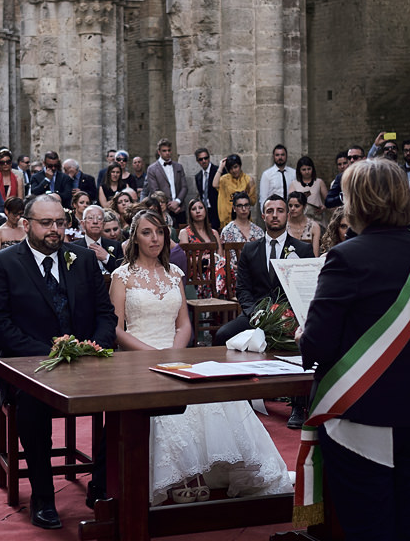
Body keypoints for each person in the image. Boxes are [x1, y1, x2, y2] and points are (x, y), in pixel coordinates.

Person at [296, 158, 410, 540]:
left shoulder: (345, 257)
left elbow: (317, 347)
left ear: (358, 202)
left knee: (369, 530)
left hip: (365, 415)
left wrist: (304, 336)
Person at [110, 209, 293, 504]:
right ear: (135, 237)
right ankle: (181, 473)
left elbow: (184, 323)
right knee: (163, 405)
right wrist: (151, 355)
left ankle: (211, 468)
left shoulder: (174, 274)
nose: (154, 238)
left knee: (214, 396)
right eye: (146, 232)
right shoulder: (122, 276)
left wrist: (174, 352)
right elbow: (116, 329)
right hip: (137, 358)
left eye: (159, 232)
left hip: (176, 353)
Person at [0, 194, 117, 529]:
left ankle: (101, 486)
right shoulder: (3, 264)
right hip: (29, 368)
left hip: (86, 363)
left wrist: (93, 348)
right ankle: (43, 495)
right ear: (26, 224)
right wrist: (49, 355)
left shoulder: (83, 259)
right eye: (46, 223)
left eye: (60, 222)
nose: (55, 230)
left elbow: (105, 315)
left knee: (125, 400)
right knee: (32, 406)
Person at [214, 194, 313, 347]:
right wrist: (255, 313)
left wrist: (286, 315)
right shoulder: (250, 249)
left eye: (280, 211)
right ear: (263, 216)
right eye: (270, 211)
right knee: (223, 335)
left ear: (287, 215)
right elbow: (242, 289)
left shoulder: (302, 250)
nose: (274, 215)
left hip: (289, 317)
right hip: (255, 314)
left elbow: (307, 290)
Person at [143, 138, 187, 225]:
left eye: (169, 150)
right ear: (159, 152)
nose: (167, 153)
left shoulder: (178, 167)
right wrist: (169, 204)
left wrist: (177, 202)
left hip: (180, 208)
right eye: (164, 151)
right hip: (163, 209)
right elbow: (154, 190)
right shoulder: (152, 169)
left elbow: (184, 187)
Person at [71, 204, 122, 277]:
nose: (95, 221)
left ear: (103, 224)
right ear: (83, 224)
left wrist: (106, 258)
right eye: (90, 218)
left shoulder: (116, 246)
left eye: (99, 218)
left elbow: (123, 273)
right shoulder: (73, 248)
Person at [212, 154, 256, 227]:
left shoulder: (248, 180)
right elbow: (215, 184)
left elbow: (253, 202)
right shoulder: (224, 179)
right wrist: (220, 168)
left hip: (243, 219)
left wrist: (245, 197)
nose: (234, 171)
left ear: (240, 165)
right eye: (230, 169)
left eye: (235, 167)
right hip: (227, 221)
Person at [289, 156, 329, 221]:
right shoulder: (294, 184)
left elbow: (328, 200)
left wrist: (324, 207)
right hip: (300, 218)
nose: (307, 172)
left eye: (309, 169)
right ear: (299, 170)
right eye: (304, 169)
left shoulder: (319, 182)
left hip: (317, 217)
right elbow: (290, 202)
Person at [189, 148, 220, 229]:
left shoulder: (218, 171)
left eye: (205, 158)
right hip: (205, 210)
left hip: (218, 209)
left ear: (209, 158)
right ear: (197, 161)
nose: (204, 161)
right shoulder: (198, 176)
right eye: (200, 159)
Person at [285, 191, 322, 257]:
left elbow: (315, 255)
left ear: (304, 206)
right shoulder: (283, 225)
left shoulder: (314, 226)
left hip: (308, 263)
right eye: (290, 206)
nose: (292, 209)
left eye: (297, 206)